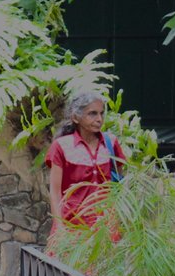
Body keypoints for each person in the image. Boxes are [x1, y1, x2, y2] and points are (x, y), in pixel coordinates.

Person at [45, 93, 124, 231]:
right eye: (92, 114)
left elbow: (119, 186)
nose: (99, 119)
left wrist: (116, 220)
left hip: (107, 229)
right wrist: (60, 228)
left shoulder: (111, 143)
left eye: (101, 113)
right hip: (72, 228)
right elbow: (55, 193)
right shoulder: (61, 146)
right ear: (76, 117)